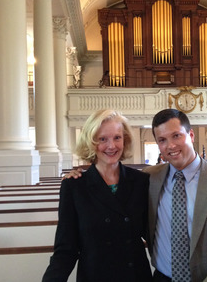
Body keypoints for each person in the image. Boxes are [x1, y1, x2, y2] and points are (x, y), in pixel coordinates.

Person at [67, 109, 207, 281]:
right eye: (162, 140)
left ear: (191, 135)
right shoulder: (148, 179)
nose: (171, 146)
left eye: (176, 135)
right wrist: (78, 177)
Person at [42, 109, 152, 282]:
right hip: (95, 276)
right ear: (91, 143)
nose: (111, 146)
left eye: (117, 137)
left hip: (136, 276)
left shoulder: (140, 181)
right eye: (103, 139)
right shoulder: (74, 186)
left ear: (125, 140)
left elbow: (153, 234)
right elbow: (66, 248)